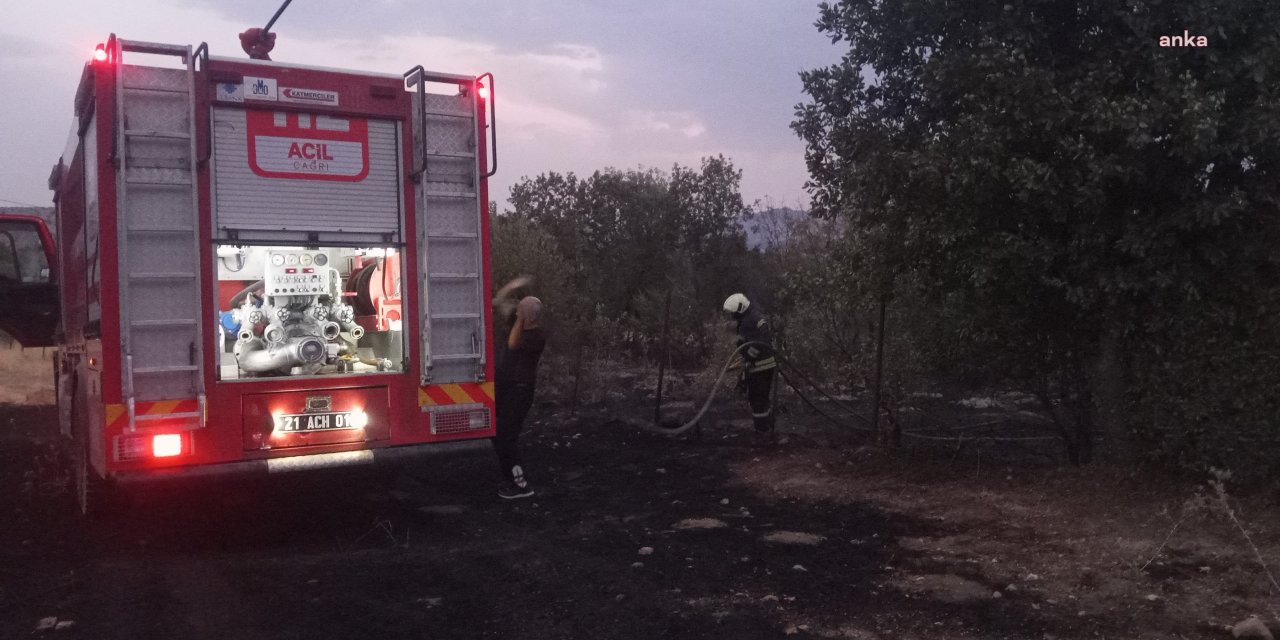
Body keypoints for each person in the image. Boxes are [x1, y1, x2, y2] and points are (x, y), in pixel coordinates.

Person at [492, 277, 545, 499]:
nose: (516, 311)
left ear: (529, 316)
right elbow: (498, 303)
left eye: (521, 310)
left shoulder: (536, 336)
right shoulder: (518, 326)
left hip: (519, 392)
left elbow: (513, 345)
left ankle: (521, 485)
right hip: (506, 388)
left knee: (506, 437)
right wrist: (511, 286)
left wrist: (520, 319)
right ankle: (509, 477)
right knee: (496, 434)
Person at [722, 293, 777, 442]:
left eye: (733, 313)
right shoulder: (753, 317)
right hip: (764, 365)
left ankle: (762, 432)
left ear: (740, 309)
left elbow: (756, 343)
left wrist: (749, 356)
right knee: (761, 398)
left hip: (760, 366)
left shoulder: (749, 320)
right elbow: (757, 340)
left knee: (757, 399)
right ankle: (767, 427)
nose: (732, 316)